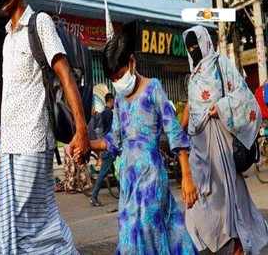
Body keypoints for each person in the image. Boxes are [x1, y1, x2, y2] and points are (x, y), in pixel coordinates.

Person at [0, 0, 89, 254]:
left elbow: (66, 77)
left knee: (28, 228)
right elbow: (11, 97)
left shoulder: (40, 23)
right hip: (11, 147)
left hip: (33, 141)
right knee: (15, 225)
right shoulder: (7, 37)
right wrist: (1, 150)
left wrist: (82, 129)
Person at [89, 32, 198, 254]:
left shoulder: (153, 88)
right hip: (128, 180)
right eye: (113, 79)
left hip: (151, 175)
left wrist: (187, 176)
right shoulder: (118, 99)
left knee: (146, 229)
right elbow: (115, 140)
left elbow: (175, 133)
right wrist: (87, 143)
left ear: (131, 62)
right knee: (130, 230)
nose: (117, 82)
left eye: (120, 75)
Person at [183, 25, 268, 255]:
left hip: (222, 141)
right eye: (189, 47)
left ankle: (236, 244)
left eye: (196, 45)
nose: (193, 50)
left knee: (230, 202)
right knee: (201, 205)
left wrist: (220, 108)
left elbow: (243, 97)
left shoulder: (221, 64)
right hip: (199, 149)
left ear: (205, 42)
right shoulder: (192, 77)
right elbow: (191, 113)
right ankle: (222, 242)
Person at [89, 93, 115, 207]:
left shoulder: (103, 113)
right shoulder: (109, 113)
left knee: (113, 171)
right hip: (110, 145)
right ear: (111, 100)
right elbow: (113, 130)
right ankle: (94, 196)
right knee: (103, 173)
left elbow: (99, 130)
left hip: (106, 143)